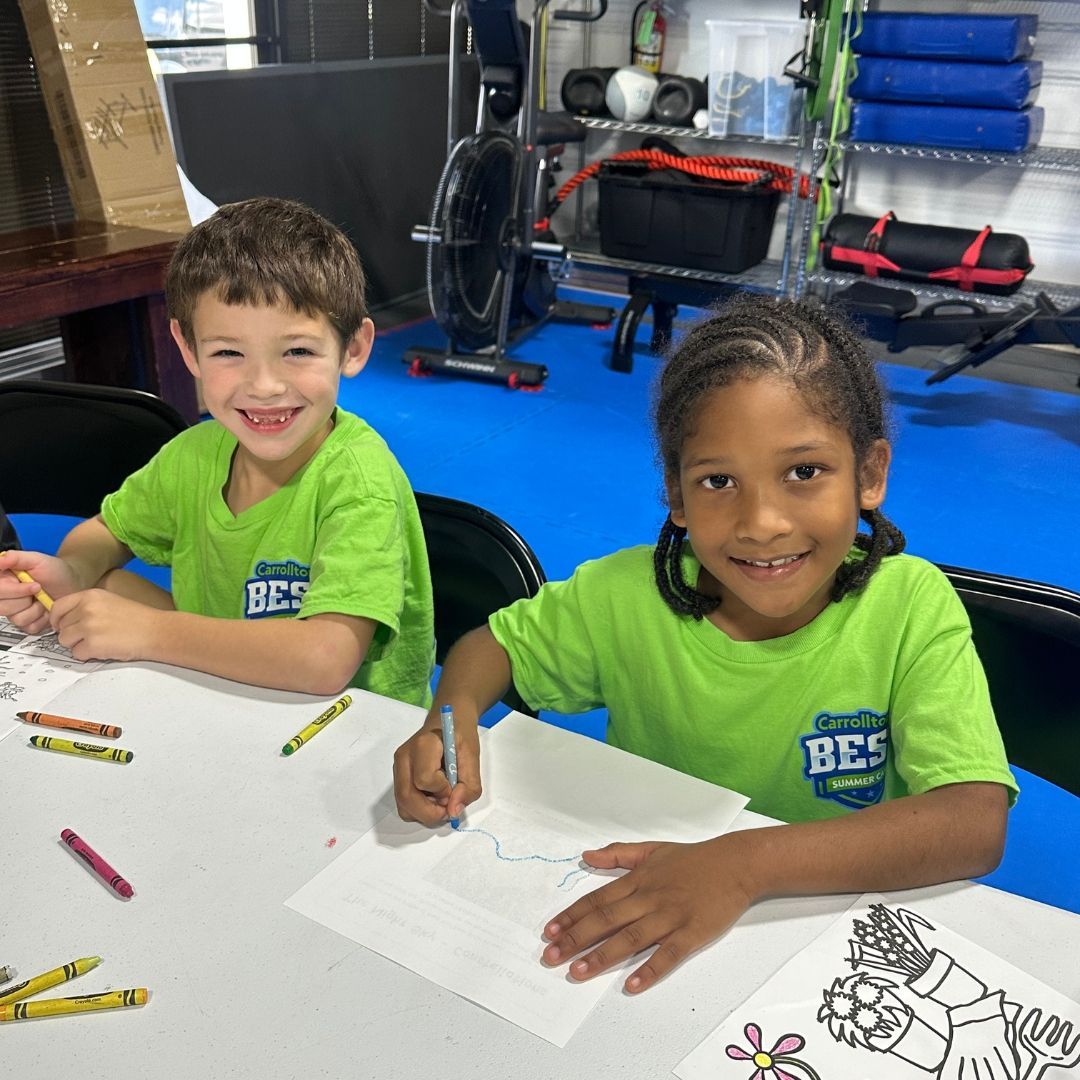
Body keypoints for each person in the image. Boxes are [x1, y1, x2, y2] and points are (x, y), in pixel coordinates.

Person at [393, 295, 1015, 991]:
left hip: (824, 949)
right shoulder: (624, 597)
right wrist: (447, 724)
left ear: (869, 474)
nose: (763, 523)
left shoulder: (908, 606)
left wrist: (742, 864)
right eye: (719, 482)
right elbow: (491, 646)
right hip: (653, 933)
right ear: (677, 497)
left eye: (804, 472)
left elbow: (973, 821)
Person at [0, 198, 434, 703]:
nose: (265, 386)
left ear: (353, 348)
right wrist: (72, 573)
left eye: (297, 351)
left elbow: (325, 660)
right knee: (103, 587)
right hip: (221, 692)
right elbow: (104, 532)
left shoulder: (358, 479)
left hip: (349, 732)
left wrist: (150, 632)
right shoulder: (196, 454)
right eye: (229, 352)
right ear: (189, 350)